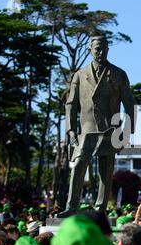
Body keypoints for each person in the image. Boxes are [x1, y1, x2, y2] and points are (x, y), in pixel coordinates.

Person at [57, 35, 135, 217]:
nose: (100, 52)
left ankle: (101, 208)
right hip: (86, 130)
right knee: (78, 166)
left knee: (105, 172)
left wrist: (127, 131)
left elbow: (129, 104)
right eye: (97, 48)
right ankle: (71, 207)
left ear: (108, 49)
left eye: (103, 48)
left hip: (110, 129)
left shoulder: (119, 74)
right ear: (90, 50)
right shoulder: (79, 75)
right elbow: (71, 104)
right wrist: (70, 129)